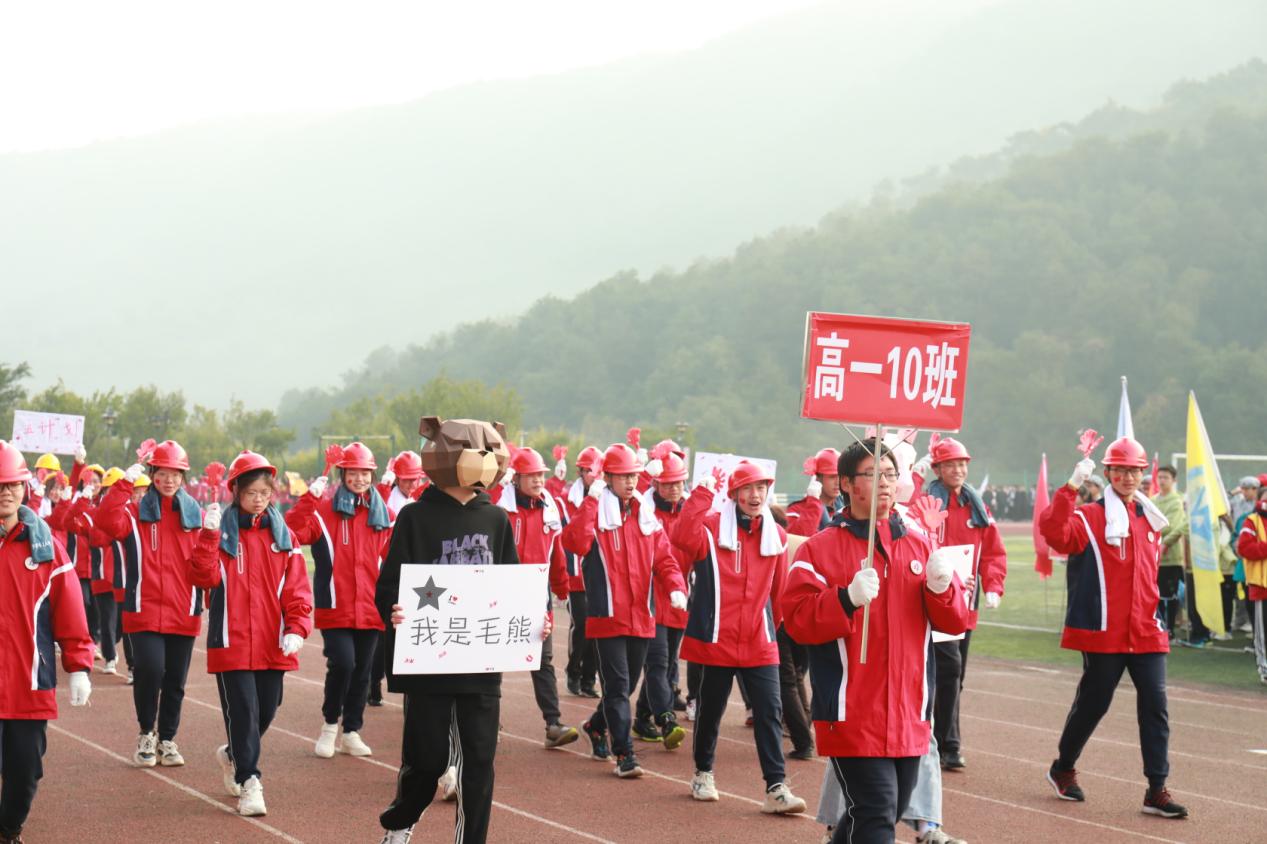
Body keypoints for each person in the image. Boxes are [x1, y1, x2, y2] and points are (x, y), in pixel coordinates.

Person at [783, 439, 968, 844]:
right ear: (847, 483)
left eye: (889, 474)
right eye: (872, 474)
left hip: (909, 712)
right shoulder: (820, 550)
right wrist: (844, 599)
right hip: (853, 714)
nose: (884, 483)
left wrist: (942, 587)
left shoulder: (920, 544)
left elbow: (955, 620)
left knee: (881, 810)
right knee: (877, 812)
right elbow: (796, 619)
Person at [375, 415, 535, 844]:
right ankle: (404, 817)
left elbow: (512, 583)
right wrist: (393, 610)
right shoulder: (414, 517)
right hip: (429, 660)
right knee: (427, 760)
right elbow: (390, 584)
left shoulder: (497, 519)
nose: (483, 460)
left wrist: (533, 619)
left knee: (479, 762)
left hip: (480, 662)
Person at [1040, 437, 1187, 819]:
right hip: (1105, 631)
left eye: (1134, 470)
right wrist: (1070, 487)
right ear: (1107, 473)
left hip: (1146, 629)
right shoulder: (1089, 516)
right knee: (1093, 703)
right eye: (1119, 470)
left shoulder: (1149, 517)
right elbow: (1055, 533)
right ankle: (1063, 767)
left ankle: (1156, 789)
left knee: (1155, 706)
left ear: (1144, 474)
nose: (1127, 476)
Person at [670, 460, 805, 813]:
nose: (755, 495)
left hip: (759, 641)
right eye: (747, 488)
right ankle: (703, 772)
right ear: (733, 494)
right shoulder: (712, 528)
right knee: (711, 711)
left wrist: (768, 628)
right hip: (717, 639)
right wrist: (701, 492)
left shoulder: (775, 534)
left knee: (770, 711)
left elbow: (778, 591)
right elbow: (681, 536)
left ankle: (775, 786)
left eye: (761, 488)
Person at [190, 451, 314, 816]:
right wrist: (208, 537)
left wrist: (297, 627)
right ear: (236, 493)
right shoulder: (221, 532)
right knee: (243, 711)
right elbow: (203, 578)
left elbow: (297, 589)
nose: (258, 499)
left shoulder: (284, 537)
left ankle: (233, 754)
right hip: (231, 640)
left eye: (264, 492)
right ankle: (250, 780)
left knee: (268, 708)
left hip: (272, 641)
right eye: (250, 493)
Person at [562, 442, 688, 779]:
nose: (630, 482)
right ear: (609, 478)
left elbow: (665, 559)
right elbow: (573, 543)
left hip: (643, 618)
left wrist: (676, 586)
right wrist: (591, 500)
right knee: (618, 688)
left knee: (628, 685)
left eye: (633, 475)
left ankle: (595, 725)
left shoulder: (645, 516)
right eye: (622, 476)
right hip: (607, 617)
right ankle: (625, 755)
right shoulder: (597, 515)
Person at [0, 441, 94, 844]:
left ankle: (8, 830)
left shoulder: (46, 548)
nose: (5, 492)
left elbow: (70, 611)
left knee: (26, 772)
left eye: (12, 484)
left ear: (25, 488)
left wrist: (79, 666)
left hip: (29, 682)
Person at [96, 440, 205, 768]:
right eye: (161, 473)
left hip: (184, 611)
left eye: (175, 474)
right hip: (143, 610)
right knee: (149, 670)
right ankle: (147, 732)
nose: (168, 480)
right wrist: (123, 485)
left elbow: (206, 564)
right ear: (153, 474)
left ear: (184, 477)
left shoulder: (195, 515)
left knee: (175, 680)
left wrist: (212, 535)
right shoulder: (134, 513)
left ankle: (168, 738)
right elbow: (104, 521)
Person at [286, 441, 394, 759]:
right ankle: (330, 725)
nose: (359, 479)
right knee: (343, 664)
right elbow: (292, 531)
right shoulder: (323, 512)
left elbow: (395, 558)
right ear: (342, 474)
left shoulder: (384, 514)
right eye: (353, 473)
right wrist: (309, 497)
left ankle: (351, 731)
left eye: (365, 473)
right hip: (335, 605)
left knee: (362, 672)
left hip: (372, 608)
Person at [914, 437, 1007, 772]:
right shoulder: (925, 501)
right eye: (950, 464)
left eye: (962, 464)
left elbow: (993, 552)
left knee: (956, 675)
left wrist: (994, 585)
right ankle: (944, 743)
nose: (958, 470)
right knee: (948, 668)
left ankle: (941, 738)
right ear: (936, 469)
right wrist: (913, 474)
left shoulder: (976, 506)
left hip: (966, 603)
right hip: (934, 601)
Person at [495, 446, 577, 748]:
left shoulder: (549, 507)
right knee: (492, 659)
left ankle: (553, 723)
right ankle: (488, 720)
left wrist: (561, 586)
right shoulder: (499, 507)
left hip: (535, 593)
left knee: (542, 660)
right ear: (516, 478)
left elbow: (556, 551)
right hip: (499, 592)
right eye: (531, 475)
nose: (538, 480)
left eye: (540, 474)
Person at [632, 449, 691, 749]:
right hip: (650, 600)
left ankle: (642, 718)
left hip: (679, 598)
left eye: (678, 483)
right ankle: (666, 719)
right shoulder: (644, 510)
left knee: (667, 665)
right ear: (655, 484)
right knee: (657, 663)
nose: (673, 488)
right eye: (667, 483)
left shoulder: (689, 513)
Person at [369, 451, 426, 706]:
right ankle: (374, 681)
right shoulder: (387, 499)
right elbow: (375, 507)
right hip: (389, 567)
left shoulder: (423, 497)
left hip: (417, 571)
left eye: (415, 479)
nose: (412, 484)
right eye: (406, 479)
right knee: (385, 630)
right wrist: (383, 484)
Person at [561, 446, 604, 699]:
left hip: (599, 574)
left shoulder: (608, 497)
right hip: (576, 574)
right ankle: (573, 671)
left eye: (597, 470)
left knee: (599, 629)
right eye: (589, 471)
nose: (593, 475)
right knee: (582, 625)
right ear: (580, 472)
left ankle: (589, 678)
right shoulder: (567, 500)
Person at [1151, 466, 1188, 639]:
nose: (1162, 480)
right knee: (1155, 594)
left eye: (1166, 477)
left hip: (1171, 558)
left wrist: (1153, 530)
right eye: (1160, 477)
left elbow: (1171, 526)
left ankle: (1170, 629)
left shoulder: (1176, 501)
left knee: (1170, 595)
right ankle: (1158, 626)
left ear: (1174, 480)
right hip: (1152, 556)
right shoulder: (1153, 499)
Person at [1235, 485, 1267, 684]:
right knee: (1263, 632)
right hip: (1261, 585)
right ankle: (1265, 668)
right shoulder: (1252, 520)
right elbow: (1245, 548)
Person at [786, 448, 841, 537]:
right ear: (816, 478)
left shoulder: (848, 509)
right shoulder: (796, 510)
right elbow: (798, 540)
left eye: (841, 476)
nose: (838, 482)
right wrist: (813, 504)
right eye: (832, 477)